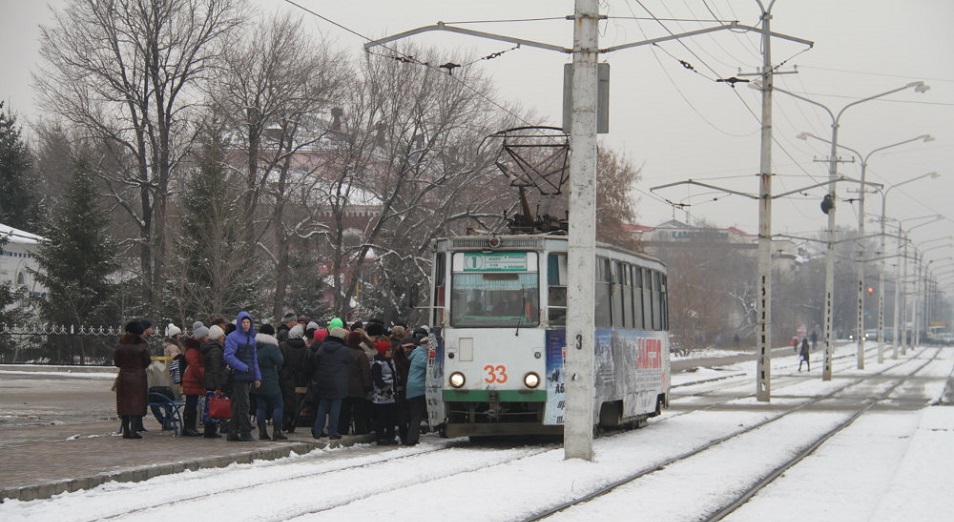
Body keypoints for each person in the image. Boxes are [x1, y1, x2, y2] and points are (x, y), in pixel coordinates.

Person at [310, 326, 355, 440]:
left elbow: (316, 360)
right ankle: (332, 431)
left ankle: (317, 430)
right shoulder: (344, 350)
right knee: (335, 407)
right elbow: (352, 360)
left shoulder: (322, 347)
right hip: (338, 382)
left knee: (322, 405)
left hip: (323, 380)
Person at [223, 311, 262, 442]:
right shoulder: (233, 337)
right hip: (239, 374)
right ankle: (245, 431)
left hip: (248, 374)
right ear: (240, 323)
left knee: (239, 404)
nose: (246, 325)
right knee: (244, 404)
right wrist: (243, 367)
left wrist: (257, 376)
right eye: (244, 322)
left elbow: (254, 358)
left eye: (248, 322)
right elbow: (228, 356)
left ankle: (232, 431)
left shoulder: (251, 338)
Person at [115, 321, 151, 439]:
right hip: (139, 377)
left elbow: (117, 362)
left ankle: (125, 430)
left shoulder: (121, 344)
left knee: (124, 403)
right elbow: (147, 362)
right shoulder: (142, 345)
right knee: (137, 403)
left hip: (124, 376)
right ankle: (134, 430)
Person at [252, 324, 286, 440]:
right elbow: (280, 360)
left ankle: (262, 432)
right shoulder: (271, 347)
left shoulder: (254, 345)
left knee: (261, 407)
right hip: (270, 380)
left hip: (256, 379)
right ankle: (276, 432)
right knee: (278, 405)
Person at [340, 331, 372, 435]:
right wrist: (368, 386)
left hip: (344, 386)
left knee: (344, 411)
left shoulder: (343, 352)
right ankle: (360, 430)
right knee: (359, 412)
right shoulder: (361, 354)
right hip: (358, 388)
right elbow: (365, 372)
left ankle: (342, 429)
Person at [279, 324, 310, 433]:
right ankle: (293, 421)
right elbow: (306, 364)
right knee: (298, 400)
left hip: (285, 376)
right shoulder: (305, 348)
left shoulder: (283, 346)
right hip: (300, 377)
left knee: (285, 398)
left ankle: (285, 419)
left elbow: (280, 362)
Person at [180, 325, 208, 436]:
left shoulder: (197, 347)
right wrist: (203, 377)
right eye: (206, 335)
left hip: (194, 378)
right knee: (190, 405)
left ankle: (191, 427)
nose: (208, 337)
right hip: (192, 379)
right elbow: (195, 365)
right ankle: (188, 427)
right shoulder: (193, 349)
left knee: (193, 404)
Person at [201, 324, 228, 438]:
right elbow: (216, 370)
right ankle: (210, 430)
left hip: (209, 380)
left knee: (210, 405)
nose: (223, 338)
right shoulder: (216, 351)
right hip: (213, 382)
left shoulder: (209, 348)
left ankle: (210, 429)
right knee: (213, 406)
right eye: (222, 336)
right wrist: (219, 386)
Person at [370, 340, 398, 445]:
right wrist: (385, 388)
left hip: (391, 395)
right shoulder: (377, 363)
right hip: (380, 396)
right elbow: (376, 378)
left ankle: (390, 436)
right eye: (388, 350)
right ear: (382, 351)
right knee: (381, 418)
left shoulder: (390, 361)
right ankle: (380, 437)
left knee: (391, 418)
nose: (390, 352)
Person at [404, 335, 428, 446]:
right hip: (418, 388)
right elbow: (430, 366)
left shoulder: (417, 353)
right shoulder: (421, 356)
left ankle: (411, 437)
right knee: (416, 415)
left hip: (413, 388)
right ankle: (411, 439)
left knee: (414, 414)